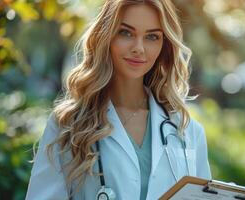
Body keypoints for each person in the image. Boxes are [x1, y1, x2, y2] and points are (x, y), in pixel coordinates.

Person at [25, 0, 211, 199]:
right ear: (106, 37)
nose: (139, 48)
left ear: (163, 45)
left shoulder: (188, 131)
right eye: (126, 33)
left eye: (152, 36)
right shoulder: (68, 125)